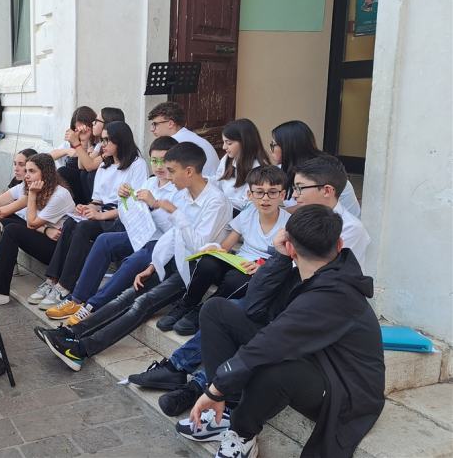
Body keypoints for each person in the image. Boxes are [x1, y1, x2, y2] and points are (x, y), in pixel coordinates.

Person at [140, 155, 371, 418]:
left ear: (327, 191)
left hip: (311, 311)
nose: (294, 196)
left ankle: (200, 388)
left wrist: (274, 263)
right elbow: (283, 264)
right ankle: (178, 366)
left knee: (252, 324)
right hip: (281, 295)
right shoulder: (298, 217)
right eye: (293, 189)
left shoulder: (349, 230)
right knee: (221, 308)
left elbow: (315, 276)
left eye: (299, 189)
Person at [184, 205, 384, 458]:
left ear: (291, 246)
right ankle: (227, 410)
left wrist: (215, 388)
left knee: (273, 367)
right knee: (217, 310)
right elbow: (254, 308)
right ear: (340, 243)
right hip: (312, 359)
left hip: (344, 387)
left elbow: (270, 343)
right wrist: (278, 257)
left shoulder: (336, 293)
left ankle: (242, 432)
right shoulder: (303, 275)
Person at [35, 142, 232, 372]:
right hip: (170, 259)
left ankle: (81, 349)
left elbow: (199, 246)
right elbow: (172, 237)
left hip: (192, 269)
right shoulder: (185, 193)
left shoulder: (215, 201)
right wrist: (152, 264)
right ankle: (71, 333)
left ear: (189, 171)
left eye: (171, 171)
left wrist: (174, 213)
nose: (167, 176)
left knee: (140, 304)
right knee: (125, 296)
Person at [42, 137, 179, 323]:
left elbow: (175, 228)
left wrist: (154, 205)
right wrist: (125, 199)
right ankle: (76, 299)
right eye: (154, 160)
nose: (159, 166)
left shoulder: (179, 189)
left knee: (133, 261)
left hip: (162, 242)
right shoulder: (151, 183)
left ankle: (92, 306)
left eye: (164, 161)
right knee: (104, 240)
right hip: (140, 234)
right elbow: (128, 215)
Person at [156, 165, 289, 335]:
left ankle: (202, 312)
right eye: (259, 192)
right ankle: (187, 303)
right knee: (208, 262)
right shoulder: (248, 215)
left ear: (282, 195)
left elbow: (290, 261)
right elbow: (226, 246)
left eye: (272, 192)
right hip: (239, 262)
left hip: (260, 272)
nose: (265, 198)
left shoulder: (289, 224)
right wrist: (215, 248)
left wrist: (264, 268)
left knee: (236, 279)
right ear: (249, 195)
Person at [30, 121, 148, 310]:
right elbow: (98, 200)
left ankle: (65, 286)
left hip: (122, 216)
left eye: (108, 140)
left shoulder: (137, 165)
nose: (104, 144)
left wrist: (100, 215)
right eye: (102, 140)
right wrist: (86, 208)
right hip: (102, 211)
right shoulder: (104, 165)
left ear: (121, 141)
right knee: (70, 223)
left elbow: (136, 206)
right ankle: (53, 280)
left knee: (84, 227)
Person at [0, 152, 79, 306]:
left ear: (45, 173)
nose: (26, 175)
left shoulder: (59, 195)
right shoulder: (27, 186)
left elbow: (31, 223)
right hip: (45, 236)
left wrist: (31, 195)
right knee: (0, 221)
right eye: (26, 171)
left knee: (12, 230)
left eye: (32, 171)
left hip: (57, 250)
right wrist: (45, 229)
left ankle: (0, 291)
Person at [271, 120, 361, 217]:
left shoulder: (320, 172)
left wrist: (274, 212)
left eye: (273, 145)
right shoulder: (285, 168)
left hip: (337, 227)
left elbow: (306, 209)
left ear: (288, 146)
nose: (270, 149)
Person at [214, 119, 270, 214]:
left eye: (229, 143)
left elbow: (249, 204)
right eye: (224, 142)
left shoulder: (259, 168)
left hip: (241, 214)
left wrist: (221, 201)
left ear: (244, 142)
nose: (224, 147)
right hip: (223, 208)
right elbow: (217, 181)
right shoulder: (228, 158)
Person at [148, 102, 219, 177]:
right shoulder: (186, 136)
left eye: (155, 124)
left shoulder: (177, 144)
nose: (152, 129)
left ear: (170, 124)